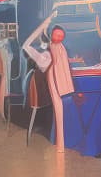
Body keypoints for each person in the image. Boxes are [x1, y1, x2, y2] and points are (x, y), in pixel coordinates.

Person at [22, 12, 73, 152]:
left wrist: (45, 26)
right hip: (54, 83)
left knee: (63, 109)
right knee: (60, 109)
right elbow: (27, 45)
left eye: (61, 36)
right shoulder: (46, 53)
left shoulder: (60, 48)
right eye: (57, 35)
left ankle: (62, 143)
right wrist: (42, 27)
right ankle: (61, 144)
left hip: (60, 84)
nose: (59, 38)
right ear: (51, 36)